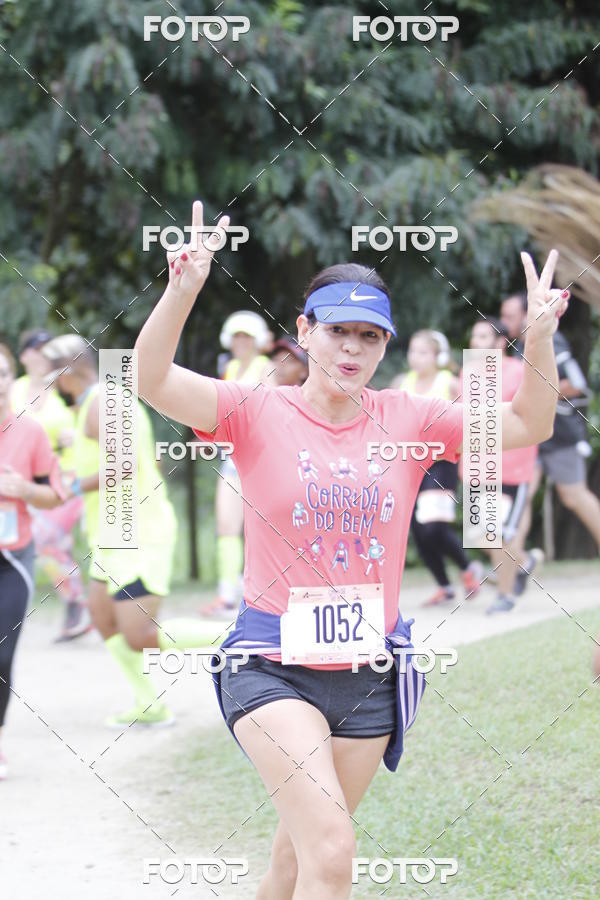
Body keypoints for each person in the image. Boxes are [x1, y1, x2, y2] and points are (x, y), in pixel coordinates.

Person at [135, 199, 567, 900]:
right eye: (338, 331)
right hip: (271, 665)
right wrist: (182, 289)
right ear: (305, 332)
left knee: (294, 860)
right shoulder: (254, 410)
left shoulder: (412, 417)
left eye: (370, 336)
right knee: (333, 853)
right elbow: (150, 382)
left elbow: (527, 422)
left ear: (385, 345)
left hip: (368, 674)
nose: (352, 349)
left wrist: (539, 338)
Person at [41, 335, 222, 728]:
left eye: (52, 374)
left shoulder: (102, 401)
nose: (49, 384)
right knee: (102, 617)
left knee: (139, 633)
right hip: (111, 535)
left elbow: (124, 465)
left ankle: (237, 635)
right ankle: (149, 704)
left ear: (69, 369)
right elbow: (146, 456)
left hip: (137, 533)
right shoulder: (102, 399)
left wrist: (67, 489)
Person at [0, 344, 66, 779]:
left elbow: (53, 493)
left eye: (2, 373)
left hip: (11, 559)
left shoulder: (30, 433)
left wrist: (24, 489)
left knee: (2, 656)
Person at [501, 292, 600, 580]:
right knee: (525, 492)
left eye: (509, 316)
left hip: (560, 433)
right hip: (530, 435)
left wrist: (537, 395)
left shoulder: (549, 341)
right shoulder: (520, 346)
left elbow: (577, 384)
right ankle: (515, 563)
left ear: (525, 314)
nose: (505, 321)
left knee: (573, 495)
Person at [391, 330, 483, 606]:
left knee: (432, 526)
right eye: (413, 351)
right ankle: (445, 586)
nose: (415, 358)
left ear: (438, 356)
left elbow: (471, 423)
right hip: (408, 464)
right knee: (418, 530)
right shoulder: (400, 383)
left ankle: (467, 568)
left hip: (442, 464)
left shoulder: (451, 384)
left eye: (423, 352)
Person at [12, 328, 91, 641]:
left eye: (49, 348)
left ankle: (87, 604)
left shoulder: (62, 386)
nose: (44, 354)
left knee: (48, 539)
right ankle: (78, 605)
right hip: (25, 481)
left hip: (67, 476)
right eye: (38, 348)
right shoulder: (14, 389)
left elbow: (86, 415)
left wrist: (76, 433)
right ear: (25, 356)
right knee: (46, 546)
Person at [469, 317, 543, 613]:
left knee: (499, 533)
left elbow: (530, 415)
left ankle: (506, 595)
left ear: (501, 343)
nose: (476, 343)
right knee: (480, 533)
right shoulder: (467, 374)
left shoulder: (519, 372)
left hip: (512, 468)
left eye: (483, 337)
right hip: (478, 468)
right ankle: (524, 563)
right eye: (474, 337)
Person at [206, 311, 272, 618]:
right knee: (226, 525)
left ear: (257, 340)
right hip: (231, 457)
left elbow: (265, 411)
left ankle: (262, 592)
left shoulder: (265, 367)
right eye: (237, 337)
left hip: (260, 459)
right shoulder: (229, 368)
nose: (241, 342)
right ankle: (226, 594)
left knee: (264, 528)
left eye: (247, 336)